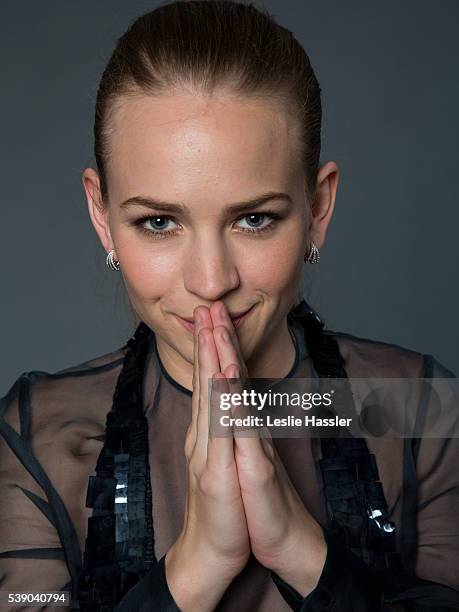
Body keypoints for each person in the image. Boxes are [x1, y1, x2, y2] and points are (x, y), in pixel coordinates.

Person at [1, 1, 458, 611]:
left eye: (254, 218)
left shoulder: (422, 412)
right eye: (159, 221)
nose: (211, 281)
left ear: (317, 208)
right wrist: (198, 565)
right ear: (101, 216)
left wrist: (298, 548)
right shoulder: (35, 437)